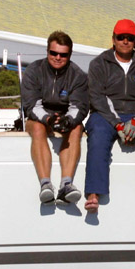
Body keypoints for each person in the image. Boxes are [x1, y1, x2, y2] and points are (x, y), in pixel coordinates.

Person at [84, 19, 135, 214]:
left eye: (130, 38)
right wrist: (117, 124)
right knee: (98, 135)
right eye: (121, 37)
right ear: (113, 39)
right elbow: (98, 97)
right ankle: (93, 193)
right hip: (105, 114)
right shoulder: (99, 63)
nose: (125, 41)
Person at [21, 30, 88, 204]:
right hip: (39, 116)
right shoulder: (34, 70)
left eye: (63, 55)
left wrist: (68, 121)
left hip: (66, 116)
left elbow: (79, 107)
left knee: (77, 128)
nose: (58, 57)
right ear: (47, 51)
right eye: (54, 53)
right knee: (37, 127)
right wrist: (48, 119)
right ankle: (45, 184)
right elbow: (31, 105)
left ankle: (66, 184)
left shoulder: (78, 75)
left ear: (69, 55)